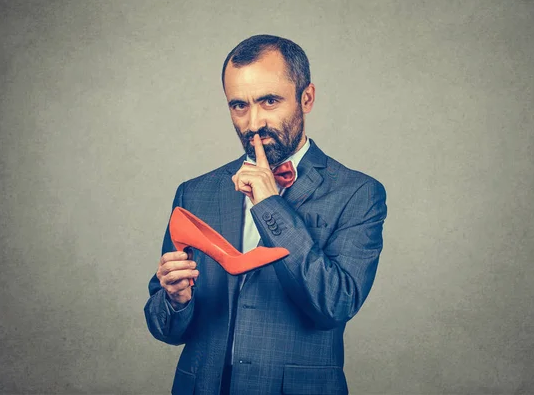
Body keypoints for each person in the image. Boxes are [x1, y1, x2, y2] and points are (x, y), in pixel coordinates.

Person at [144, 34, 387, 395]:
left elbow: (334, 305)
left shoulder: (358, 193)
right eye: (239, 106)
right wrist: (175, 300)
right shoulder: (194, 193)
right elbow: (165, 328)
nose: (253, 121)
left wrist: (271, 206)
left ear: (306, 98)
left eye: (269, 101)